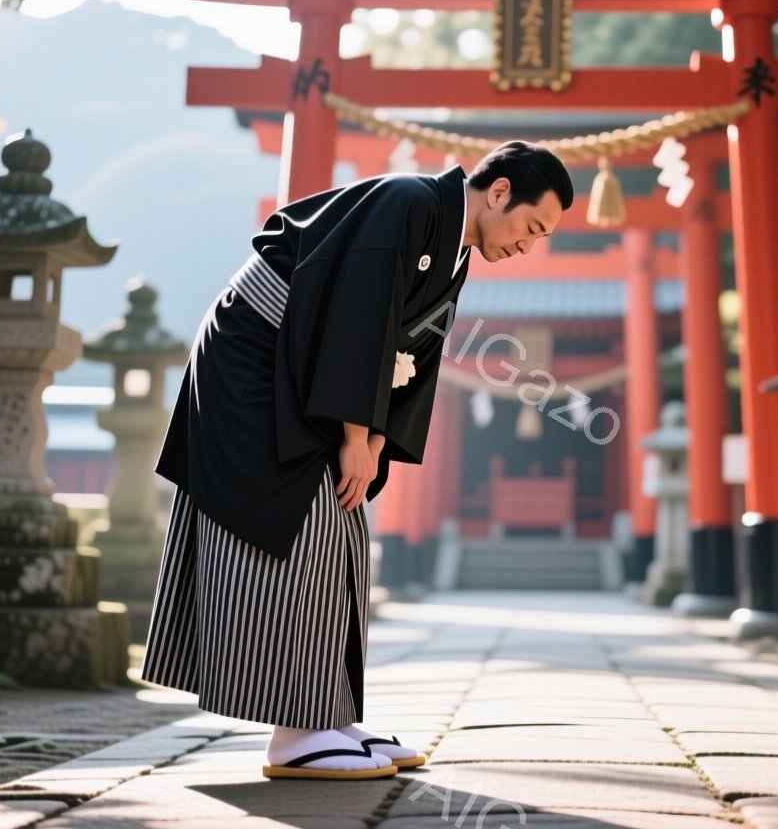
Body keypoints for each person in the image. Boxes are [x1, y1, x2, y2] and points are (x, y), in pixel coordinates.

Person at [141, 142, 574, 780]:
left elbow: (415, 356)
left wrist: (374, 440)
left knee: (344, 528)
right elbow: (358, 316)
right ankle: (295, 733)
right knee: (303, 520)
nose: (527, 246)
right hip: (260, 357)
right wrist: (353, 433)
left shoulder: (453, 248)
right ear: (501, 192)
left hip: (309, 374)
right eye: (531, 228)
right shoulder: (409, 202)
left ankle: (331, 714)